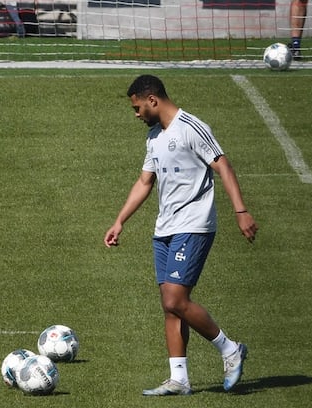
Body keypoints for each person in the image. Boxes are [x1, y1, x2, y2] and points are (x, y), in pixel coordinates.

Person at [104, 75, 259, 396]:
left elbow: (224, 167)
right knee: (169, 305)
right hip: (165, 229)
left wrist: (241, 211)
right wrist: (120, 221)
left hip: (194, 225)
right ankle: (179, 378)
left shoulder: (191, 127)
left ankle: (229, 348)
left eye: (136, 107)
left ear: (152, 100)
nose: (135, 114)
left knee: (176, 298)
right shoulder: (153, 136)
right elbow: (145, 182)